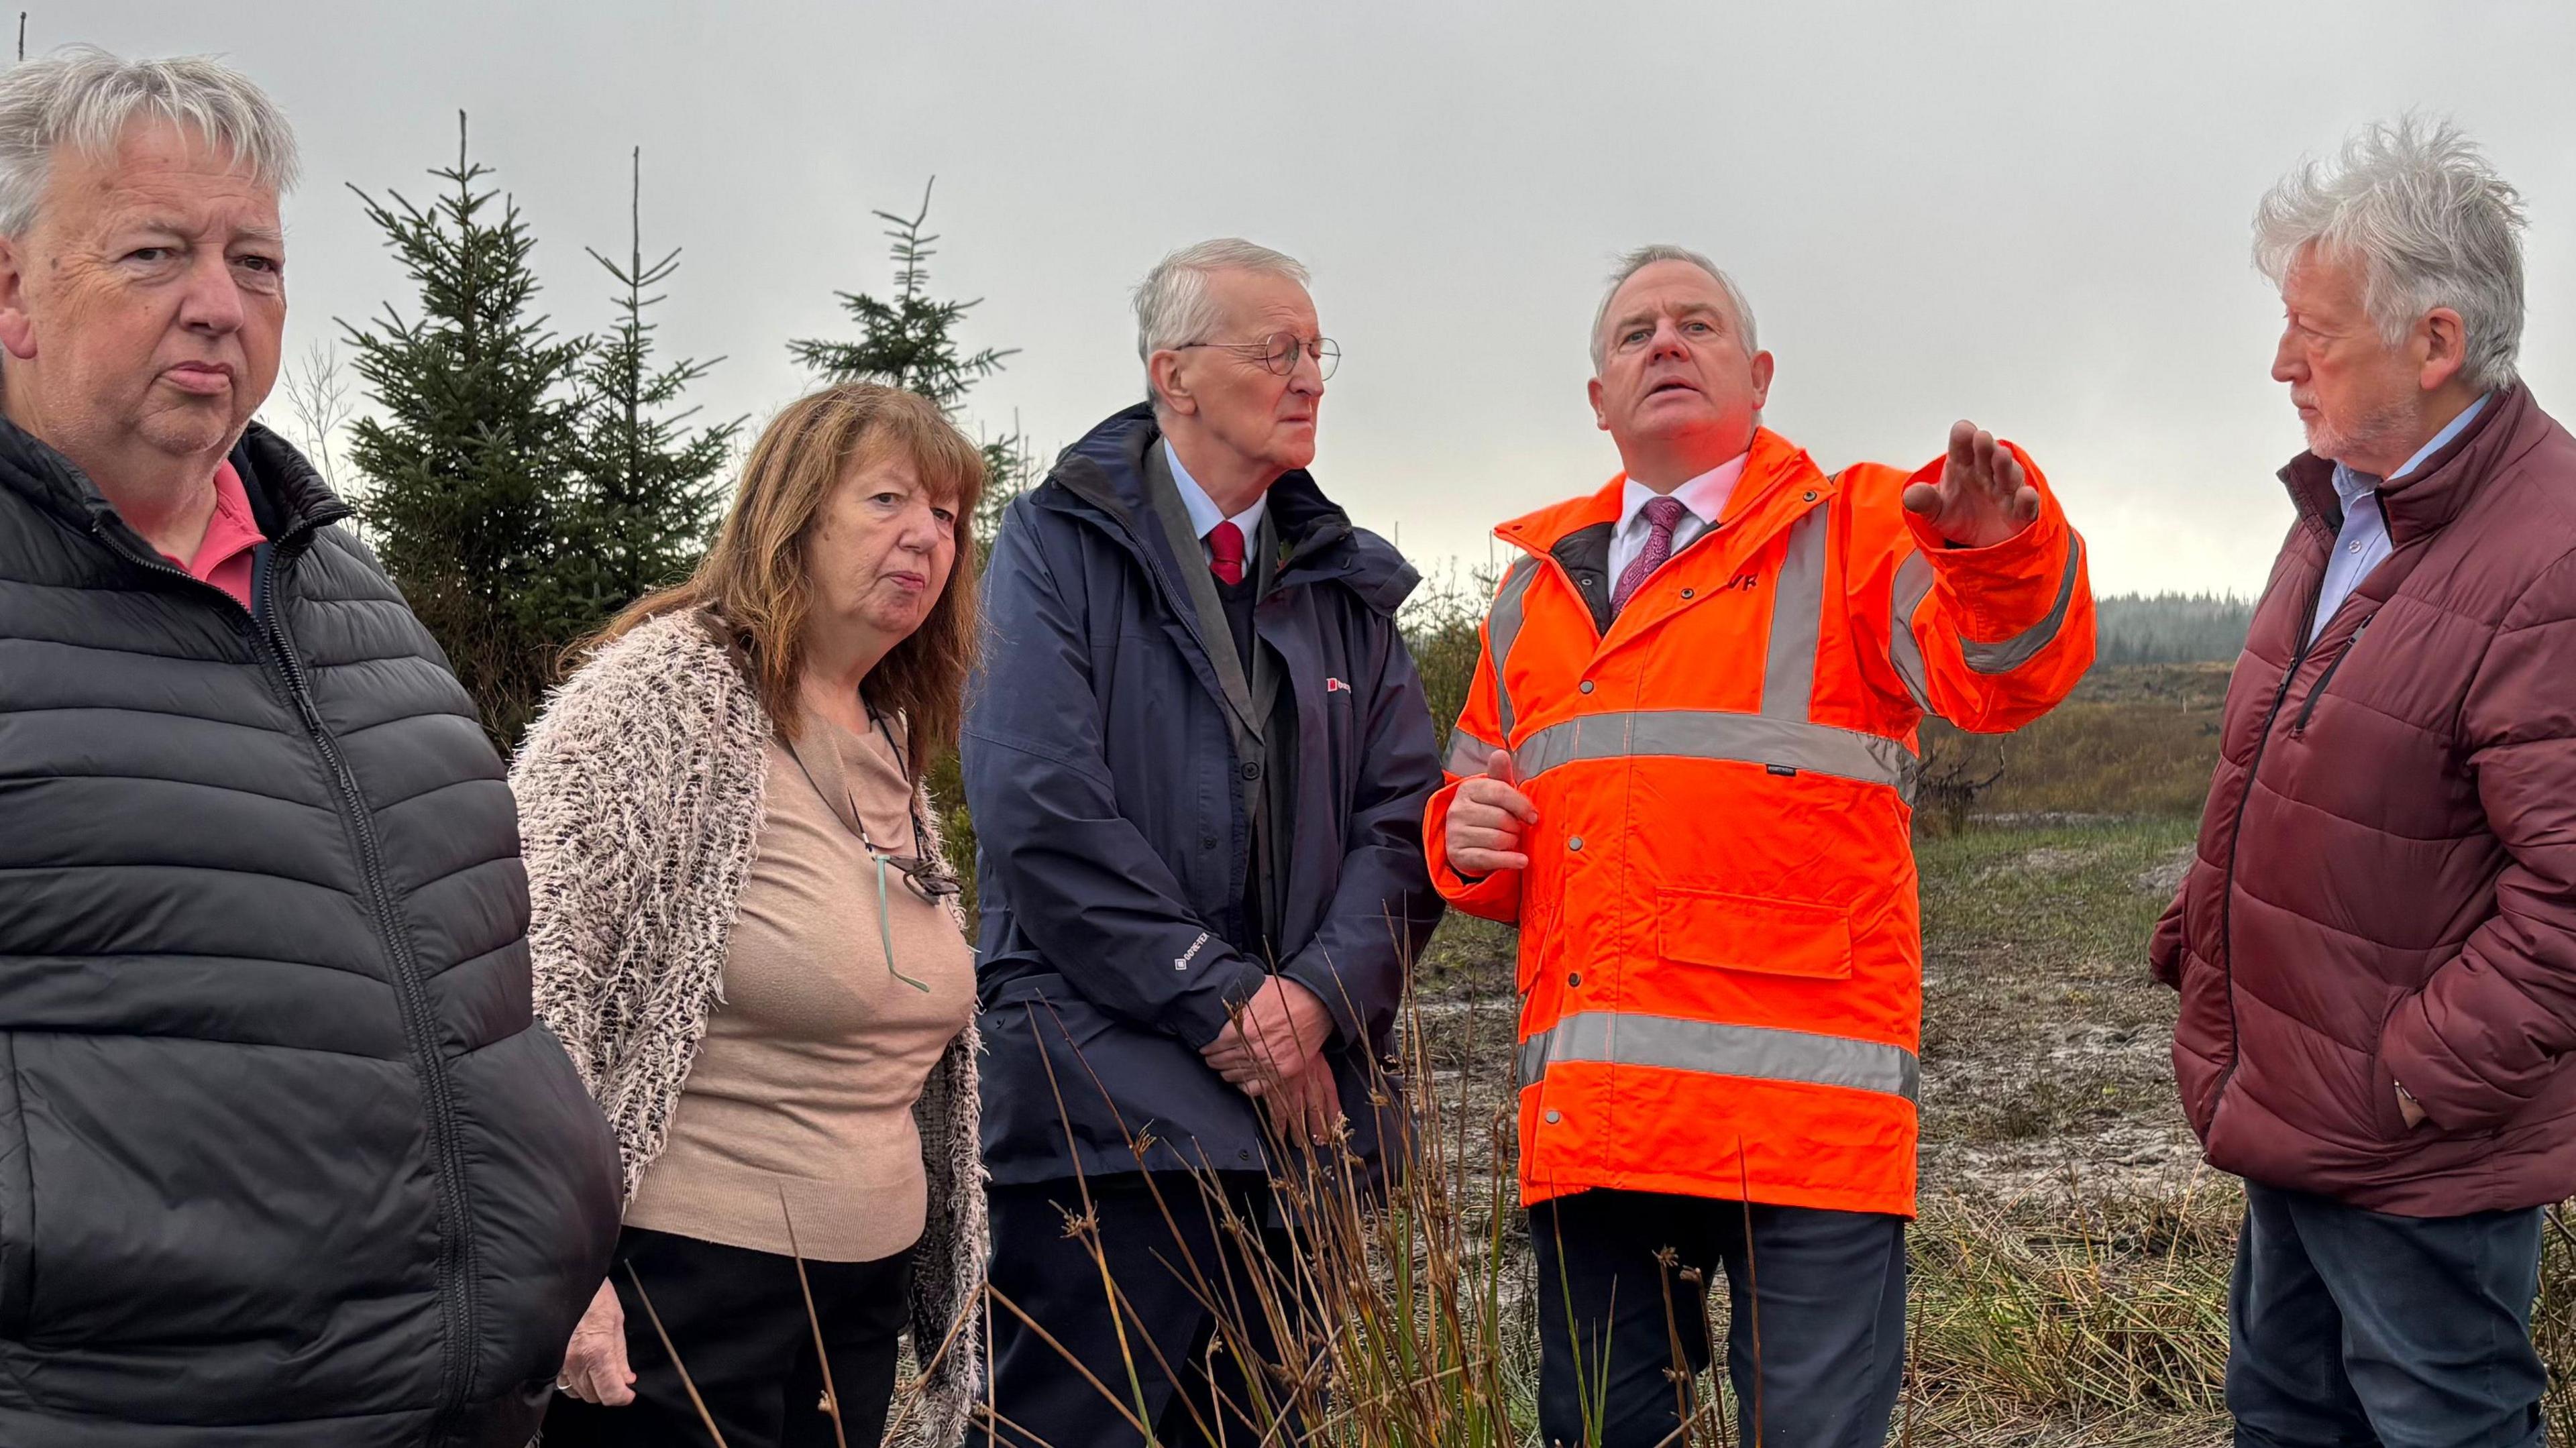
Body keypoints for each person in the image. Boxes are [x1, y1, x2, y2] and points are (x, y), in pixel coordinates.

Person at [0, 47, 621, 1445]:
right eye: (156, 252)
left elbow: (467, 990)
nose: (219, 305)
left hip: (456, 1400)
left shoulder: (343, 589)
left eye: (257, 262)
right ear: (12, 290)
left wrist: (548, 1228)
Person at [1430, 245, 2094, 1447]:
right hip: (1601, 1128)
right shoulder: (1534, 595)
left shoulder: (1858, 533)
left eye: (1698, 325)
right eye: (1635, 334)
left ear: (1762, 375)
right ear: (1599, 401)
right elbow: (1482, 814)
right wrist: (1462, 840)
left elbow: (2004, 677)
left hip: (1808, 1140)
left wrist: (2000, 557)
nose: (1666, 345)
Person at [963, 238, 1445, 1445]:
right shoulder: (1052, 546)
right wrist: (1231, 1007)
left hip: (1298, 1135)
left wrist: (1319, 1005)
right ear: (1173, 374)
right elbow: (1039, 808)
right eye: (1277, 349)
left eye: (1317, 351)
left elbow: (1406, 825)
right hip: (1100, 1117)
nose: (1310, 376)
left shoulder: (1347, 585)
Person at [2153, 118, 2576, 1448]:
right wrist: (2207, 931)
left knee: (2438, 1423)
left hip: (2417, 1146)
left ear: (2437, 344)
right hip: (2293, 1096)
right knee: (2285, 1413)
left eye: (2313, 333)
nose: (2281, 363)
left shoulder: (2550, 559)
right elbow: (2307, 769)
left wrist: (2415, 1071)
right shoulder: (2347, 504)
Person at [521, 383, 989, 1448]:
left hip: (854, 1299)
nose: (925, 537)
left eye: (949, 518)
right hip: (678, 1296)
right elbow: (531, 978)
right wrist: (557, 1267)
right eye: (886, 501)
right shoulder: (659, 700)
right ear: (792, 516)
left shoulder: (884, 730)